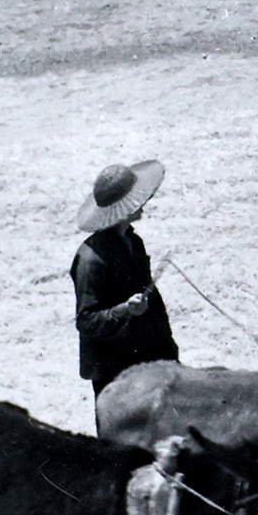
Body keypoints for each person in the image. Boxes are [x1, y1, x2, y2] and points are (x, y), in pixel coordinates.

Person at [71, 159, 179, 396]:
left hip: (148, 359)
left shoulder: (133, 241)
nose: (144, 203)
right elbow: (86, 321)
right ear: (123, 209)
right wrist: (125, 310)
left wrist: (169, 353)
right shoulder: (91, 260)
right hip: (115, 372)